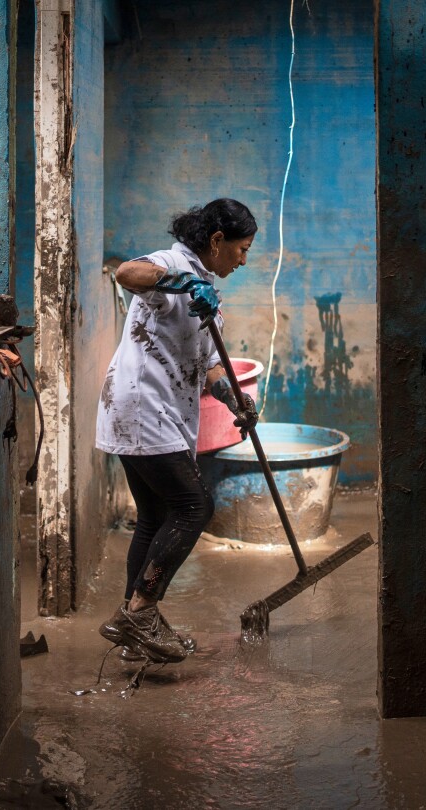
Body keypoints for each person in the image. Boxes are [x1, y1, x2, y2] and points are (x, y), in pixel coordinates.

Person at [94, 198, 259, 664]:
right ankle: (141, 613)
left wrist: (233, 400)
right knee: (194, 506)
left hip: (156, 411)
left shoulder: (208, 290)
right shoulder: (172, 264)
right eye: (241, 249)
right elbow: (128, 273)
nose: (243, 260)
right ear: (216, 241)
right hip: (141, 404)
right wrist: (181, 281)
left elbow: (206, 363)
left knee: (154, 514)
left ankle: (133, 626)